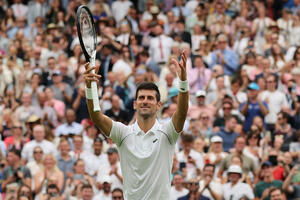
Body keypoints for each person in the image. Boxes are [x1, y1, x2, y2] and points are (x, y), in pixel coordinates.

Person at [83, 51, 189, 199]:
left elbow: (182, 113)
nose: (145, 101)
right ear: (135, 104)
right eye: (141, 98)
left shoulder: (168, 132)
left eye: (150, 98)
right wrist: (90, 88)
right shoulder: (123, 133)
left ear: (159, 105)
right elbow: (96, 116)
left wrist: (183, 83)